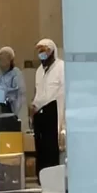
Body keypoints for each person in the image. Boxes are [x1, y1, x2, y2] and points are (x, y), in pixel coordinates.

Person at [31, 38, 64, 170]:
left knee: (52, 150)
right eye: (39, 51)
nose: (42, 53)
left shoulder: (61, 67)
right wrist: (34, 105)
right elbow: (39, 93)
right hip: (41, 115)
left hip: (54, 113)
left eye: (44, 50)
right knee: (41, 149)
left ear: (52, 51)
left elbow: (62, 93)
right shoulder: (39, 71)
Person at [0, 47, 24, 132]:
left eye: (3, 60)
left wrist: (2, 92)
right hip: (3, 112)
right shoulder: (2, 76)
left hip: (14, 111)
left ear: (10, 61)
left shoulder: (16, 74)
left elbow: (16, 92)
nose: (1, 63)